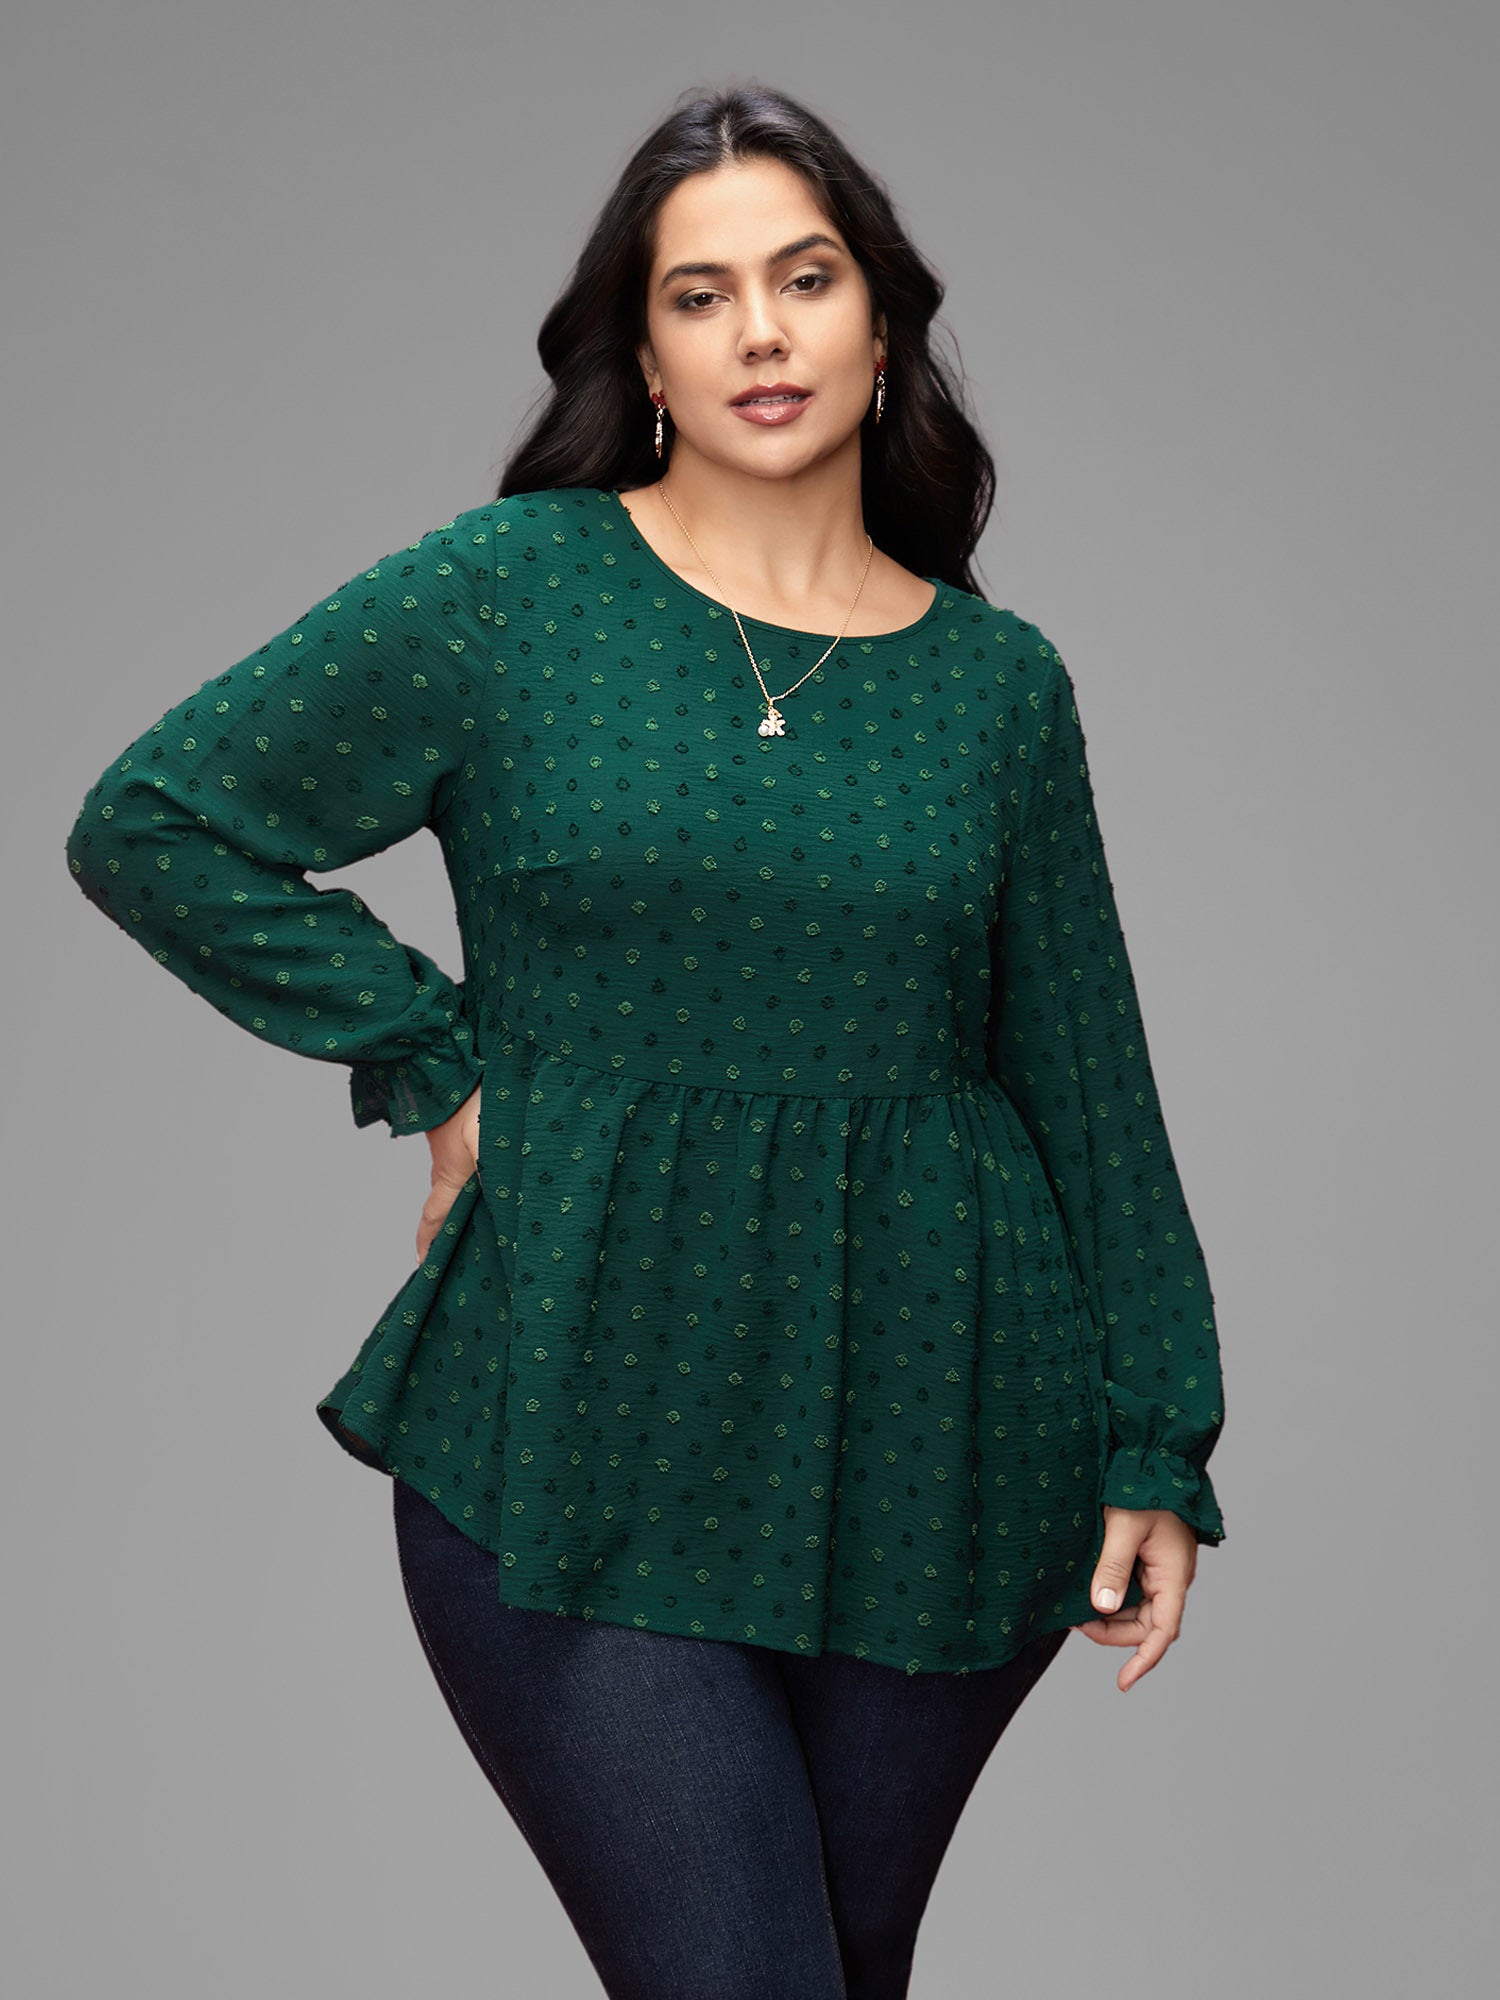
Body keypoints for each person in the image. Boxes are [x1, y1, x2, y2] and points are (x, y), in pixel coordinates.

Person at [64, 80, 1227, 2000]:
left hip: (939, 1437)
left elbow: (1088, 1083)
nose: (762, 330)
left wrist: (1156, 1435)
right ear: (648, 355)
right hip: (573, 1409)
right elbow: (156, 820)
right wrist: (432, 1059)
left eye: (807, 278)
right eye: (703, 295)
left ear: (882, 326)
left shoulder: (999, 687)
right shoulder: (509, 592)